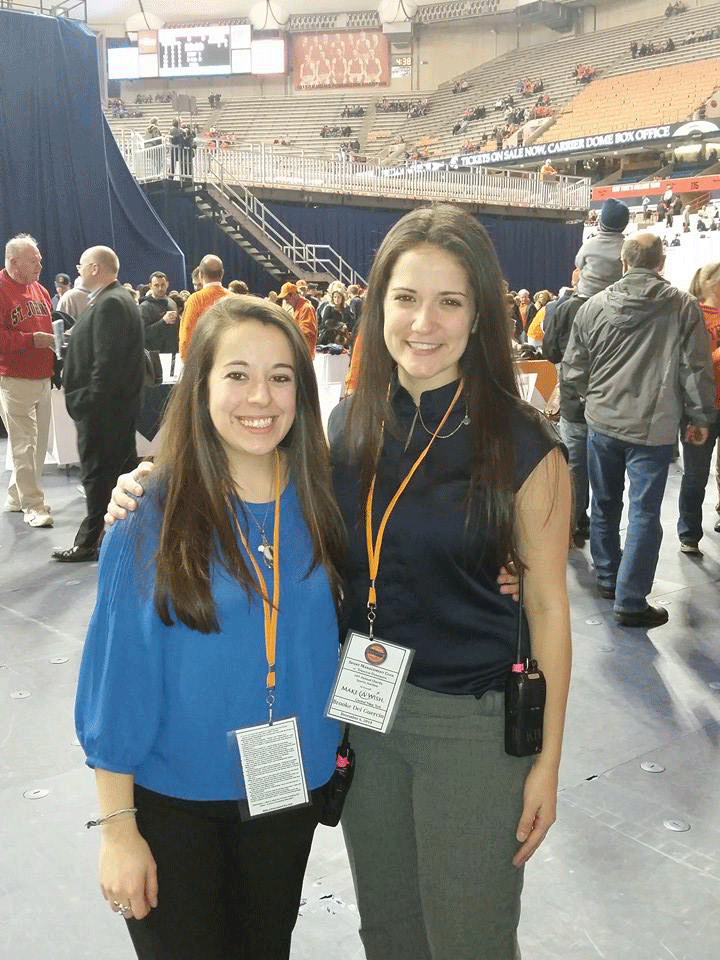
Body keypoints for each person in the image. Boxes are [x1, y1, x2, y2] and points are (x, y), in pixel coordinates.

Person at [108, 207, 554, 960]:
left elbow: (549, 610)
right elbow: (256, 471)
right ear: (378, 304)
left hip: (468, 721)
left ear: (481, 314)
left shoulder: (521, 443)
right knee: (387, 931)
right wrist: (156, 481)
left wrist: (547, 760)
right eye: (406, 298)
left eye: (450, 301)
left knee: (469, 939)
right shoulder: (348, 430)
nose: (424, 321)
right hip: (361, 717)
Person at [76, 296, 347, 960]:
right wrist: (118, 830)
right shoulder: (150, 513)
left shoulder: (324, 498)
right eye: (237, 374)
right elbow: (118, 680)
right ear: (200, 386)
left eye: (282, 376)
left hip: (286, 788)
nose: (262, 396)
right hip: (174, 801)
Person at [562, 233, 715, 627]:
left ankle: (608, 577)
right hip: (655, 427)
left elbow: (574, 367)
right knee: (645, 511)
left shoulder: (593, 306)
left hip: (602, 422)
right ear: (660, 264)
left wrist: (582, 404)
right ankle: (631, 600)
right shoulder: (683, 307)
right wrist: (700, 418)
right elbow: (695, 368)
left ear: (623, 263)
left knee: (605, 502)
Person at [53, 246, 144, 562]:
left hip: (103, 412)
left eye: (81, 266)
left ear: (94, 268)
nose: (77, 271)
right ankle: (124, 534)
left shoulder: (111, 305)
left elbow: (106, 364)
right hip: (111, 410)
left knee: (98, 474)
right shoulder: (116, 301)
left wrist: (87, 403)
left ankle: (90, 540)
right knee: (119, 472)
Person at [0, 233, 55, 527]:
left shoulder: (40, 291)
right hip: (14, 379)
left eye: (40, 258)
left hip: (42, 376)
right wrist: (31, 340)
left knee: (37, 444)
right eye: (34, 260)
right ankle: (34, 506)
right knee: (23, 444)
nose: (40, 263)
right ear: (13, 262)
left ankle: (15, 496)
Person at [677, 261, 720, 552]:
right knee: (695, 474)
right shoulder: (694, 315)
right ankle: (689, 532)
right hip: (701, 406)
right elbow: (692, 364)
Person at [575, 198, 629, 299]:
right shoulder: (627, 248)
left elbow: (578, 265)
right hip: (614, 299)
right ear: (625, 224)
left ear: (601, 221)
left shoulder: (589, 244)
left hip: (585, 297)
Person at [179, 255, 228, 360]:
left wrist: (187, 364)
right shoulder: (234, 299)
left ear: (200, 275)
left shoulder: (195, 300)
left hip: (203, 363)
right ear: (222, 274)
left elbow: (186, 339)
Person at [139, 272, 178, 353]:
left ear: (167, 284)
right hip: (154, 355)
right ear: (150, 286)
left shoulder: (172, 303)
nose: (160, 288)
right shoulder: (144, 307)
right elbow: (142, 334)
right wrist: (163, 322)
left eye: (163, 285)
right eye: (156, 285)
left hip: (173, 352)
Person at [278, 282, 318, 357]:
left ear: (293, 295)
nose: (286, 301)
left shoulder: (306, 308)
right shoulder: (299, 308)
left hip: (304, 352)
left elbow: (306, 332)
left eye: (286, 298)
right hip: (300, 351)